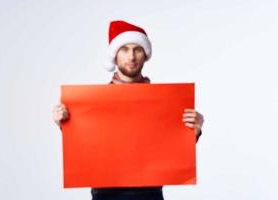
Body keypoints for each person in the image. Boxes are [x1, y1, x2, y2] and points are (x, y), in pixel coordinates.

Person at [52, 20, 204, 200]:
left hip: (150, 194)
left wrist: (194, 131)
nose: (131, 57)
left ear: (145, 54)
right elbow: (85, 144)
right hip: (105, 195)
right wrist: (64, 123)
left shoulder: (165, 103)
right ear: (115, 55)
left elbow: (170, 149)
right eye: (124, 49)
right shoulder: (92, 105)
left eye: (137, 49)